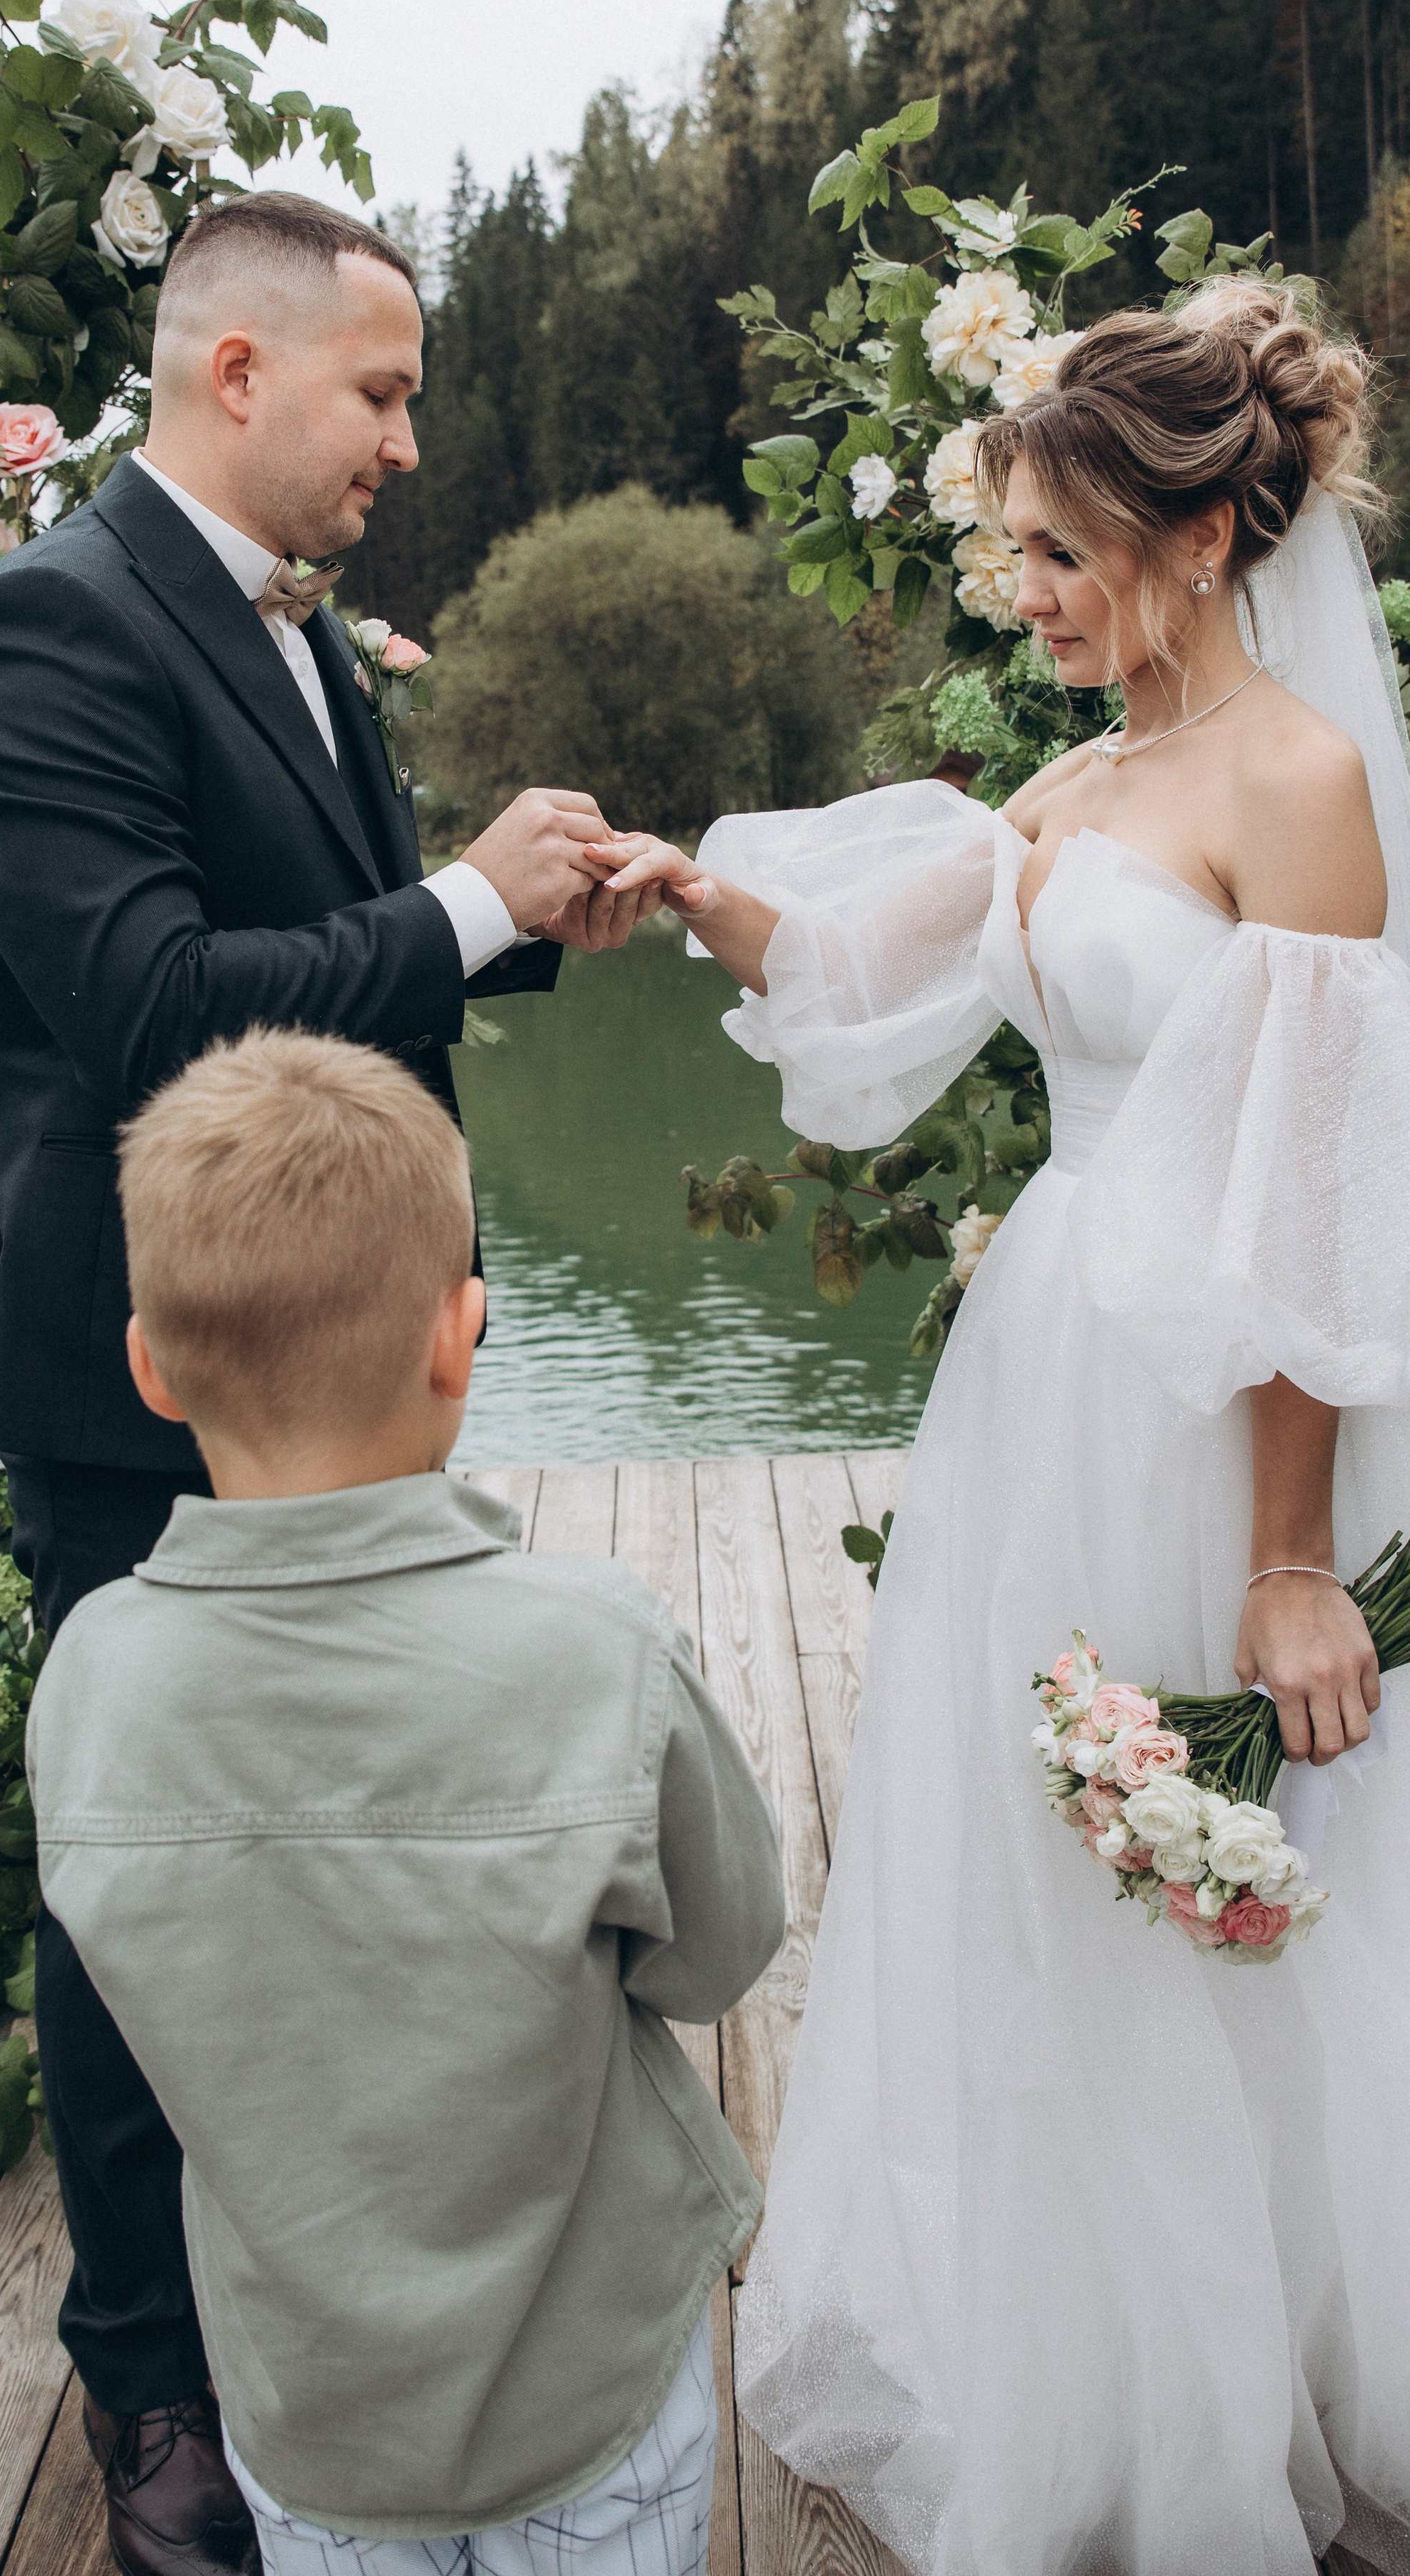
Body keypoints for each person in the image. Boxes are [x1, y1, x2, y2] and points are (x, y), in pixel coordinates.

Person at [588, 281, 1410, 2573]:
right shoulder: (1076, 777)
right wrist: (699, 900)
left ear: (1212, 528)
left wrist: (1289, 1554)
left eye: (1061, 553)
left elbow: (1309, 1217)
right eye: (1017, 553)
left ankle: (1255, 2392)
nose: (1025, 596)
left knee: (1212, 1883)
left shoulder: (1306, 789)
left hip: (1213, 1402)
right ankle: (1079, 2360)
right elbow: (879, 980)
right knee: (1043, 1886)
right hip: (1043, 1377)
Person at [0, 189, 640, 2575]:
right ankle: (150, 2384)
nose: (406, 444)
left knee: (335, 1851)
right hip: (153, 1387)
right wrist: (456, 903)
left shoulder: (301, 645)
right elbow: (149, 1006)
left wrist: (520, 938)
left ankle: (345, 2279)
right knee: (142, 1885)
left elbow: (315, 957)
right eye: (386, 390)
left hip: (341, 1374)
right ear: (238, 374)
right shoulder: (45, 628)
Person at [26, 1025, 786, 2576]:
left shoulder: (94, 1673)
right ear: (462, 1336)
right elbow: (718, 1953)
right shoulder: (595, 1649)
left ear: (150, 1367)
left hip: (308, 2421)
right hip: (585, 2397)